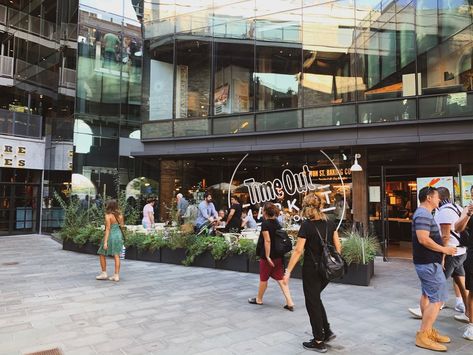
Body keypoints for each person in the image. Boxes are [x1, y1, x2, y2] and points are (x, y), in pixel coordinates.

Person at [283, 194, 341, 353]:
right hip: (327, 269)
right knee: (315, 298)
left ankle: (318, 340)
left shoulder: (307, 225)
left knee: (312, 302)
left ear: (306, 207)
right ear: (321, 205)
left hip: (312, 269)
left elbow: (298, 251)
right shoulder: (330, 222)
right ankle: (327, 331)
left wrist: (288, 271)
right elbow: (338, 245)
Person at [411, 186, 456, 352]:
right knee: (437, 299)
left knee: (427, 295)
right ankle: (423, 334)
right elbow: (423, 239)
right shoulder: (423, 214)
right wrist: (445, 250)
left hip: (428, 262)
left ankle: (427, 331)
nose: (439, 200)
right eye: (437, 197)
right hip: (428, 263)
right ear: (429, 198)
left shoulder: (423, 213)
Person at [248, 202, 294, 312]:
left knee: (263, 279)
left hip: (268, 256)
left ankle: (259, 299)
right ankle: (290, 302)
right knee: (280, 279)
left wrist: (268, 256)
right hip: (278, 255)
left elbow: (267, 241)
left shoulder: (266, 224)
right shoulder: (277, 223)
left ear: (265, 212)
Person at [434, 187, 469, 322]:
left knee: (437, 281)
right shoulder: (457, 207)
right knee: (461, 282)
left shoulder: (445, 212)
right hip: (460, 252)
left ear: (439, 197)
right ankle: (468, 313)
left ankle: (426, 309)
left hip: (451, 252)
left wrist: (442, 256)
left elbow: (445, 237)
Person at [455, 185, 473, 340]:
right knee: (472, 291)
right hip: (472, 254)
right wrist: (468, 213)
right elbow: (457, 227)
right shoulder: (467, 209)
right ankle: (472, 327)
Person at [96, 199, 125, 282]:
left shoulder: (108, 215)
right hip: (118, 235)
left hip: (111, 235)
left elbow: (108, 229)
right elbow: (122, 226)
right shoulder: (120, 215)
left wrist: (105, 242)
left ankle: (104, 273)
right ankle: (116, 276)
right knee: (116, 255)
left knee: (101, 253)